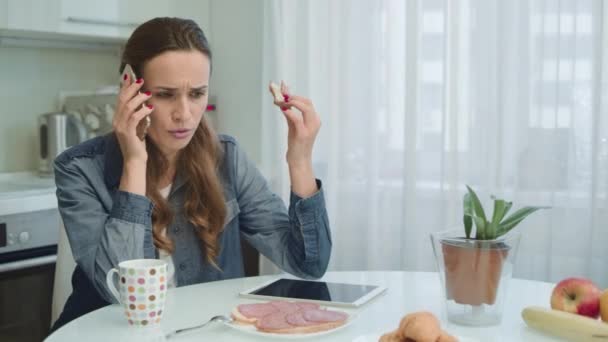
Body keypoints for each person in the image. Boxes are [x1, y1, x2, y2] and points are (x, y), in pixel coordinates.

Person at [50, 17, 331, 332]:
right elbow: (121, 294)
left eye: (197, 94)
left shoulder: (227, 158)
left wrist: (300, 160)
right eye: (166, 94)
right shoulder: (78, 169)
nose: (184, 114)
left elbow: (308, 264)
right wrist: (134, 162)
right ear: (131, 88)